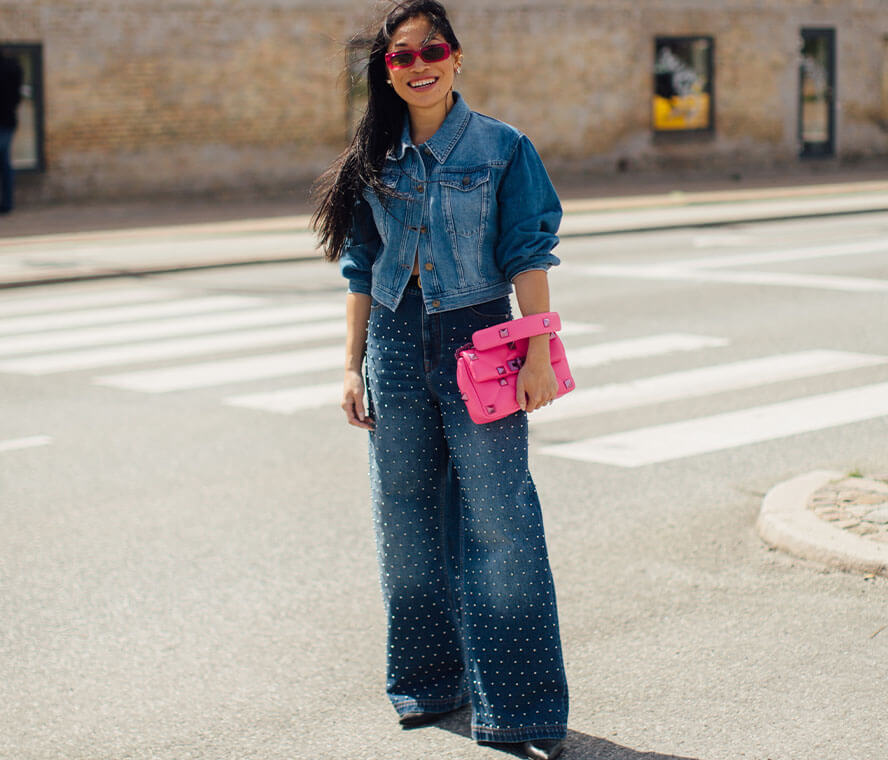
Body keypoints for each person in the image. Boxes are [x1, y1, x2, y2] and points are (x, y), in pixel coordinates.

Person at [312, 2, 569, 758]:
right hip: (393, 343)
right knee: (405, 518)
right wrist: (349, 364)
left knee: (499, 519)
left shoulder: (502, 147)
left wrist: (540, 353)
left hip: (481, 338)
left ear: (456, 58)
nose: (418, 64)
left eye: (432, 49)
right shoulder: (376, 154)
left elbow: (528, 250)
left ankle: (519, 709)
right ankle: (428, 683)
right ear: (385, 71)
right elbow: (360, 265)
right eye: (401, 55)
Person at [0, 48, 23, 214]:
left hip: (5, 121)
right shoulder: (13, 67)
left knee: (4, 162)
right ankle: (7, 203)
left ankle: (7, 204)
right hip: (9, 121)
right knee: (5, 163)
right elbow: (17, 97)